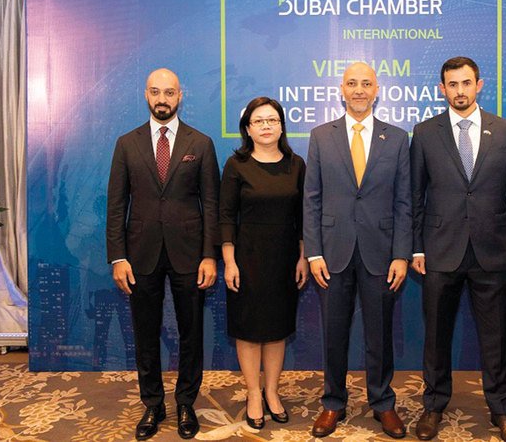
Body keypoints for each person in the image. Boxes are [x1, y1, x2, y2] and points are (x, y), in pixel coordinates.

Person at [410, 56, 506, 442]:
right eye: (452, 84)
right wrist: (416, 248)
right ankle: (433, 406)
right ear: (442, 89)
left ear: (479, 85)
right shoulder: (424, 133)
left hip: (493, 250)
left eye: (466, 83)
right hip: (439, 250)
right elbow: (414, 197)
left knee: (496, 338)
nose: (459, 91)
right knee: (436, 336)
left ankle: (502, 411)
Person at [106, 68, 220, 440]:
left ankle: (186, 402)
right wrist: (118, 257)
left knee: (191, 332)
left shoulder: (200, 143)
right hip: (140, 254)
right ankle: (153, 404)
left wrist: (209, 255)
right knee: (145, 333)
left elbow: (212, 204)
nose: (162, 99)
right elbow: (116, 205)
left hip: (190, 254)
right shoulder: (127, 143)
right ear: (146, 94)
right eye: (155, 91)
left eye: (169, 92)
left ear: (179, 96)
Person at [303, 62, 411, 439]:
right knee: (333, 333)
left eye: (366, 83)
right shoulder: (321, 136)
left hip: (381, 253)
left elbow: (404, 202)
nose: (359, 90)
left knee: (379, 334)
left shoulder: (397, 138)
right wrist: (313, 253)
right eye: (352, 83)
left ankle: (382, 403)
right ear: (342, 90)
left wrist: (401, 254)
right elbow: (311, 199)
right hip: (332, 253)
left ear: (377, 90)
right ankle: (333, 402)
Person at [219, 97, 308, 430]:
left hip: (285, 258)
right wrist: (229, 261)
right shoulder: (237, 165)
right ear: (248, 128)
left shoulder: (296, 165)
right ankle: (253, 393)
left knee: (276, 330)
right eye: (259, 121)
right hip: (247, 258)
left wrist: (303, 256)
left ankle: (272, 391)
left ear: (282, 126)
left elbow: (303, 217)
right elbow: (226, 216)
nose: (266, 126)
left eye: (272, 120)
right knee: (248, 329)